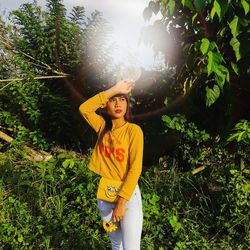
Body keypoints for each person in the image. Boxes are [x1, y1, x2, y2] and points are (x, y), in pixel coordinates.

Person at [79, 79, 144, 250]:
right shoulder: (102, 128)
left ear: (127, 105)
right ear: (106, 105)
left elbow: (135, 168)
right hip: (106, 195)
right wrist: (115, 89)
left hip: (127, 196)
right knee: (117, 245)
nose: (117, 103)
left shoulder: (133, 131)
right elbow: (84, 109)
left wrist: (122, 203)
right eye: (113, 99)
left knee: (131, 248)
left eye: (122, 99)